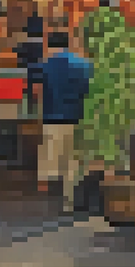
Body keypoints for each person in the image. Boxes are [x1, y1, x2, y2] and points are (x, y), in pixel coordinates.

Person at [27, 32, 92, 209]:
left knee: (50, 152)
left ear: (49, 45)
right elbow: (90, 91)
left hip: (52, 116)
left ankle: (45, 193)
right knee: (71, 158)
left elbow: (36, 91)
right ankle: (69, 196)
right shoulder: (84, 65)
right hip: (77, 116)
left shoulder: (44, 66)